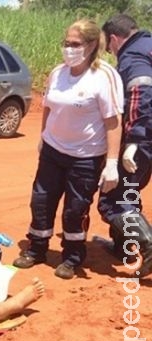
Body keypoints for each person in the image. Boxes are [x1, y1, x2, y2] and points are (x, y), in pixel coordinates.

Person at [13, 19, 124, 280]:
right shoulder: (58, 72)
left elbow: (113, 121)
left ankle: (72, 257)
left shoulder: (103, 77)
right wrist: (43, 137)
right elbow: (49, 107)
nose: (69, 49)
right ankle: (37, 249)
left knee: (75, 209)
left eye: (75, 44)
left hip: (85, 157)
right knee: (41, 201)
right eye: (66, 43)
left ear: (92, 45)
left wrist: (111, 162)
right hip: (53, 151)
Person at [99, 14, 152, 277]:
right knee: (129, 190)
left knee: (112, 200)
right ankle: (125, 247)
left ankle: (148, 246)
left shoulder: (132, 57)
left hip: (142, 138)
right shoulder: (148, 46)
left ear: (114, 39)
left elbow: (141, 95)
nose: (111, 52)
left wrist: (134, 140)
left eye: (109, 48)